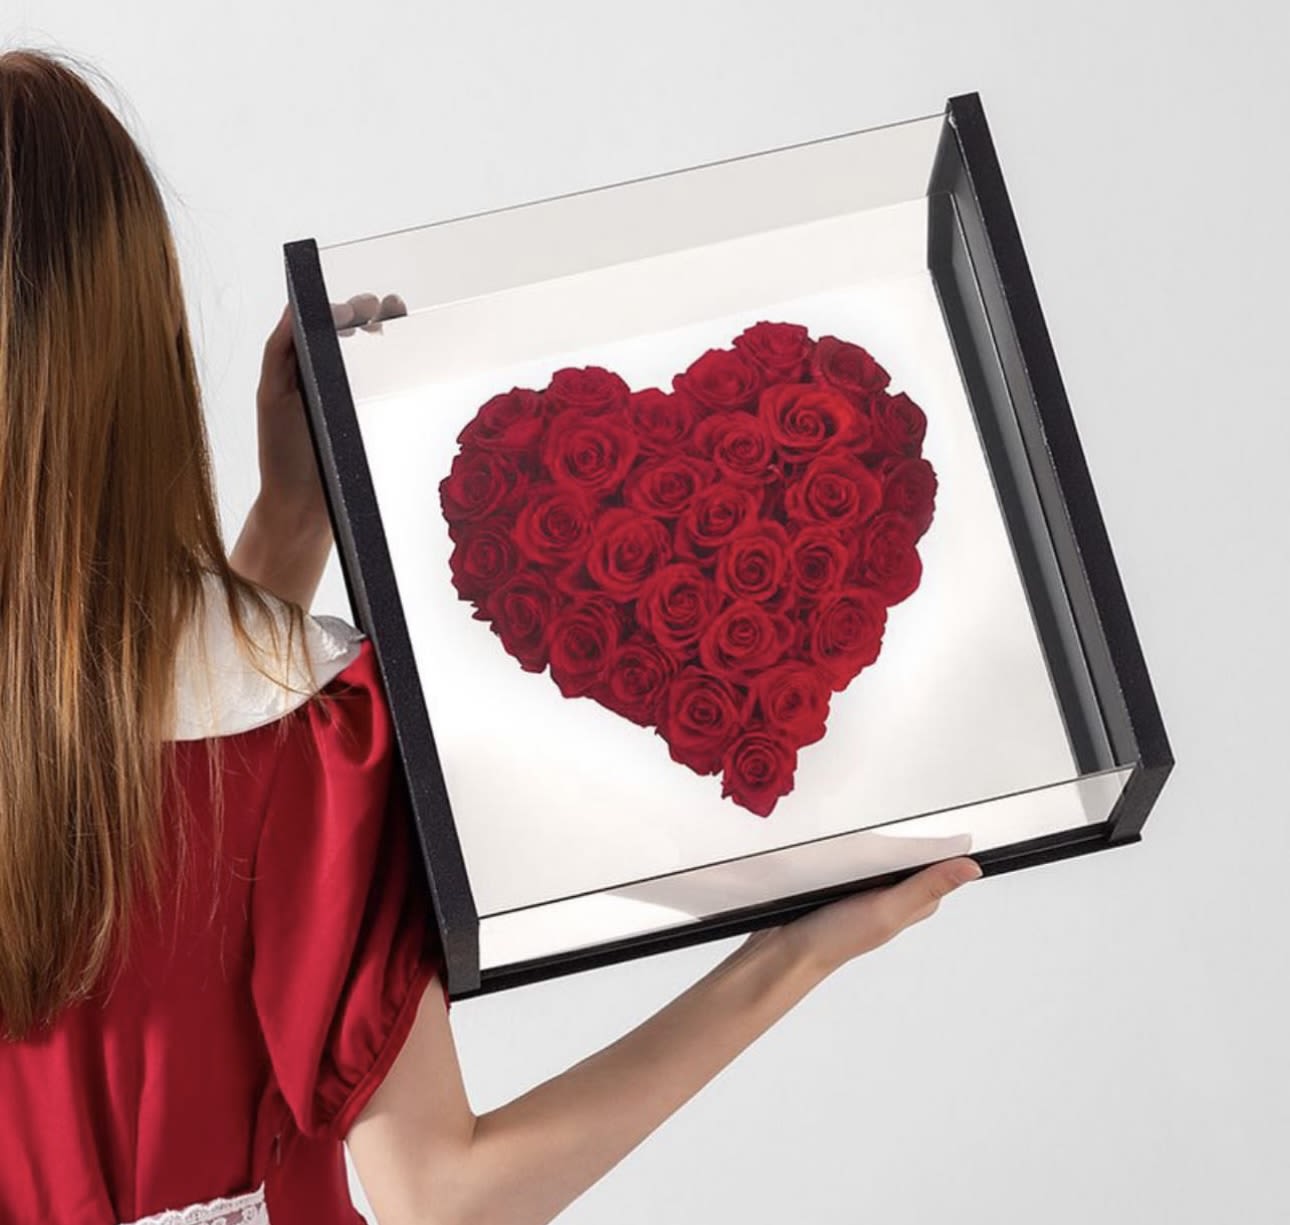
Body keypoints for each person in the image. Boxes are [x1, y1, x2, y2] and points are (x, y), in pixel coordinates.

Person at [0, 46, 983, 1225]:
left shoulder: (224, 740)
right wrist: (792, 952)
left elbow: (127, 800)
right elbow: (440, 1194)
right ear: (143, 342)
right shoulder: (313, 746)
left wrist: (290, 525)